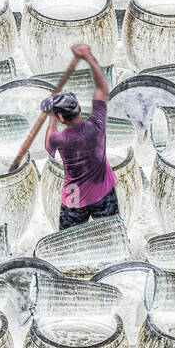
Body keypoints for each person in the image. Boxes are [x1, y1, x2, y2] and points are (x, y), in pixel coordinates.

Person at [43, 44, 118, 230]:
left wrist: (51, 118)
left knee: (67, 243)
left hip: (75, 200)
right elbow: (102, 87)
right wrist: (88, 57)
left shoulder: (59, 139)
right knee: (110, 235)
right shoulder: (97, 125)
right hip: (104, 192)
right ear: (78, 108)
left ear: (61, 118)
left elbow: (48, 148)